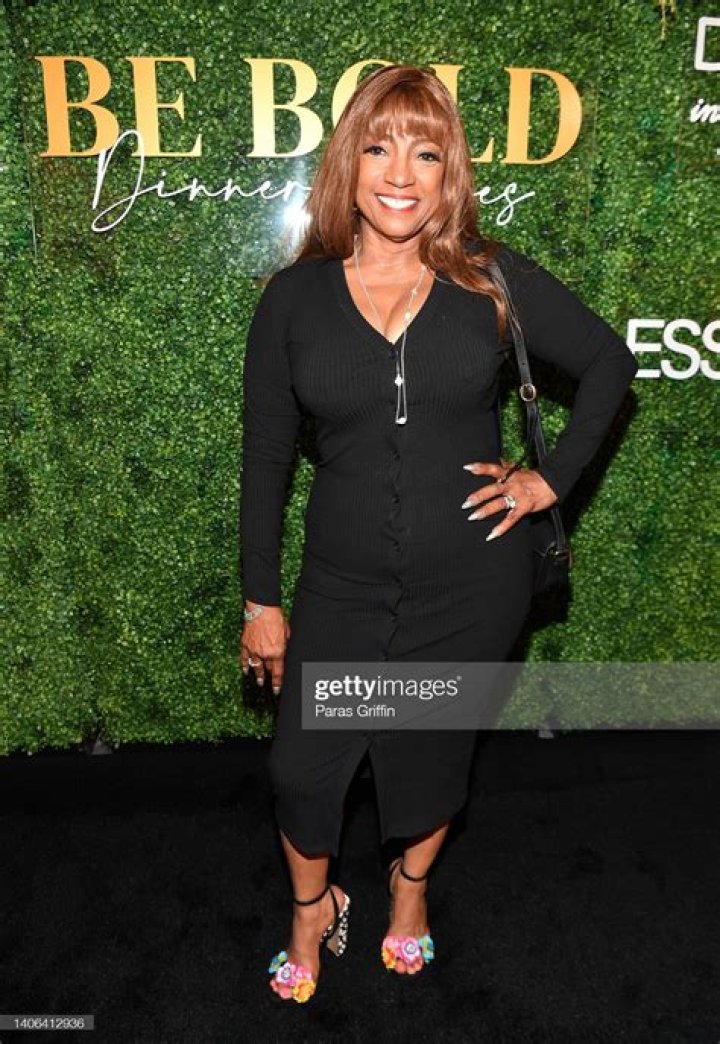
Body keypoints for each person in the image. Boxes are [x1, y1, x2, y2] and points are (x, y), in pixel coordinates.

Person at [239, 64, 638, 1003]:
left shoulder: (489, 278)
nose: (400, 174)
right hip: (340, 586)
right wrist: (261, 600)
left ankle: (410, 890)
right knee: (302, 767)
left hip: (471, 585)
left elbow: (609, 363)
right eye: (379, 148)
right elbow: (265, 458)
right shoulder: (292, 300)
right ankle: (312, 907)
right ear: (349, 164)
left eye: (426, 153)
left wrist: (548, 480)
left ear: (448, 171)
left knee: (430, 756)